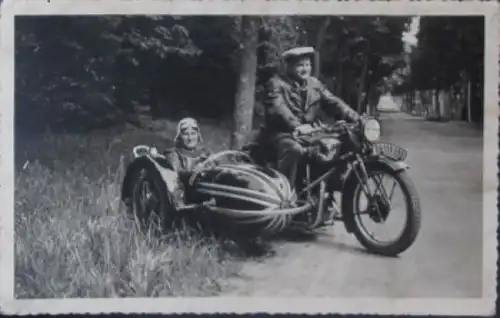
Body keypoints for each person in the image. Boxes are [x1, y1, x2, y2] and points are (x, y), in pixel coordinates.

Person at [261, 46, 361, 188]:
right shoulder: (276, 83)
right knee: (294, 149)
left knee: (337, 145)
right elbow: (278, 108)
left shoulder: (314, 84)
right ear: (289, 66)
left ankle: (325, 191)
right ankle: (286, 193)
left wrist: (356, 117)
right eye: (300, 65)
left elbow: (333, 102)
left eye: (307, 64)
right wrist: (297, 125)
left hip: (309, 134)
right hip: (280, 134)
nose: (305, 69)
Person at [163, 117, 211, 207]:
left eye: (193, 133)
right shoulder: (172, 153)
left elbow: (215, 165)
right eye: (186, 134)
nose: (190, 138)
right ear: (179, 136)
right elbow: (177, 173)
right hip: (184, 193)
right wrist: (194, 172)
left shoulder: (205, 153)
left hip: (206, 189)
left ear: (198, 135)